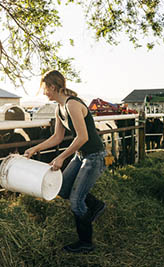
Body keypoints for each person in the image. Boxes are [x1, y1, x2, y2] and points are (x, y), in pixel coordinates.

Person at [24, 70, 107, 253]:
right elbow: (57, 137)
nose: (44, 93)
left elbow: (83, 137)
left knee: (76, 202)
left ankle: (86, 243)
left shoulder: (72, 105)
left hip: (94, 157)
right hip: (81, 156)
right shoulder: (59, 109)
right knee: (62, 189)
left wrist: (61, 157)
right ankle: (95, 206)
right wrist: (34, 149)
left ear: (53, 87)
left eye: (45, 89)